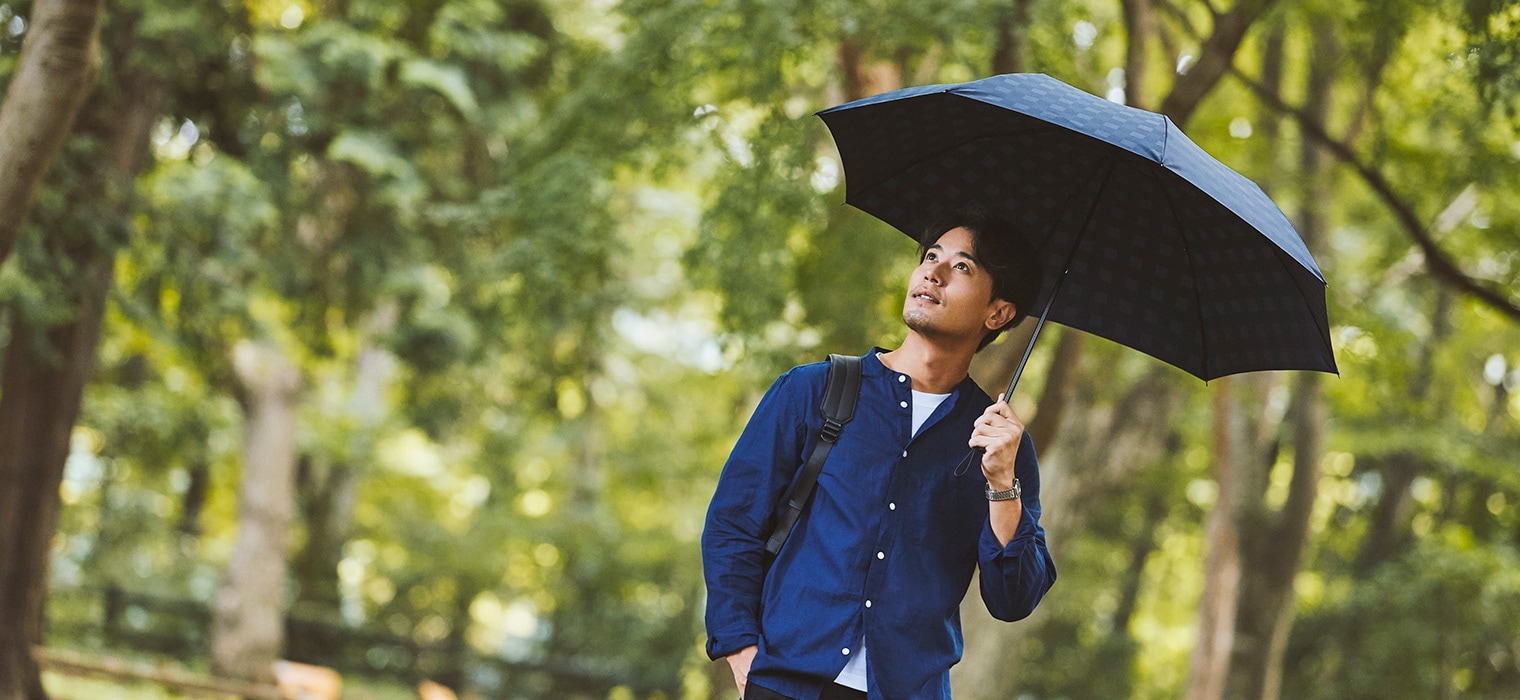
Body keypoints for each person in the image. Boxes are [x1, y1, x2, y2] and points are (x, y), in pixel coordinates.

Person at [701, 208, 1058, 700]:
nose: (931, 272)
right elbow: (733, 524)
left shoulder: (1002, 446)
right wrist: (741, 651)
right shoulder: (813, 391)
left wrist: (1002, 485)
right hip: (785, 681)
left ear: (997, 312)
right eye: (931, 256)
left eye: (962, 267)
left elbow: (1014, 599)